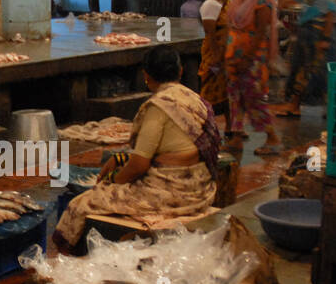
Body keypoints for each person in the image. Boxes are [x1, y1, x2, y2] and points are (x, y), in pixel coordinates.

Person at [51, 45, 220, 253]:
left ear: (146, 76)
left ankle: (65, 264)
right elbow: (167, 149)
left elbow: (139, 165)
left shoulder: (158, 107)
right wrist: (121, 159)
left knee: (80, 204)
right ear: (181, 71)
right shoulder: (193, 99)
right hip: (202, 189)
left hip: (175, 195)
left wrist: (112, 182)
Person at [224, 0, 284, 156]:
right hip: (233, 55)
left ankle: (272, 138)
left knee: (254, 98)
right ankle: (236, 138)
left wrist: (248, 59)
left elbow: (260, 32)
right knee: (235, 98)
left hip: (252, 58)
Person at [273, 0, 336, 118]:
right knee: (302, 70)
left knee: (311, 72)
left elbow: (329, 14)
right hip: (307, 34)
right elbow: (293, 1)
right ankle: (295, 105)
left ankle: (323, 108)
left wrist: (325, 39)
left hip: (316, 35)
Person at [198, 0, 235, 137]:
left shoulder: (226, 3)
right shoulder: (210, 5)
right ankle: (204, 127)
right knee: (209, 92)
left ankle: (229, 126)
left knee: (227, 93)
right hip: (214, 55)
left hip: (226, 55)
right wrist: (215, 58)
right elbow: (211, 34)